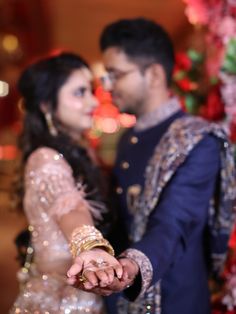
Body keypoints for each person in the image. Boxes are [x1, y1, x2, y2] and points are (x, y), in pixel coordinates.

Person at [68, 18, 236, 314]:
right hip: (119, 294)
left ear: (155, 74)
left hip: (175, 298)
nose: (107, 87)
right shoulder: (127, 138)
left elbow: (175, 222)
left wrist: (131, 266)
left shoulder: (198, 140)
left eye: (115, 75)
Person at [10, 52, 123, 314]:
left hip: (83, 293)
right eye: (79, 92)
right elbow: (69, 207)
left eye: (91, 91)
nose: (93, 101)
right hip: (61, 303)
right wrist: (89, 245)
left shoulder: (80, 153)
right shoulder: (46, 158)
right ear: (47, 106)